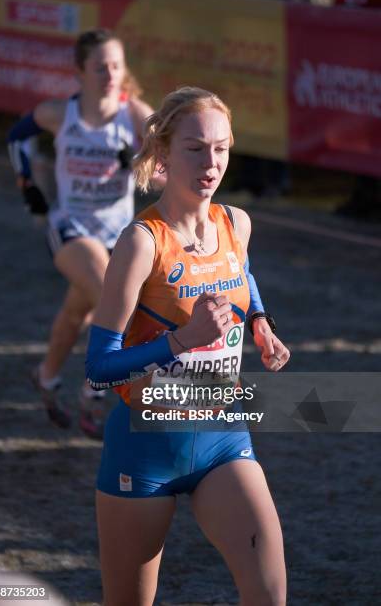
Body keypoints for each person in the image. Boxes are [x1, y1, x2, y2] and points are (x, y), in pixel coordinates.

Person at [86, 86, 290, 605]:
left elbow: (241, 272)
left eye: (221, 148)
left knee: (268, 592)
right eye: (196, 148)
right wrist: (180, 341)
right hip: (145, 447)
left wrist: (260, 319)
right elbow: (97, 369)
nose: (211, 162)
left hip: (223, 438)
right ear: (164, 153)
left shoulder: (235, 223)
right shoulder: (142, 243)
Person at [7, 29, 153, 438]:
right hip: (71, 225)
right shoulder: (60, 113)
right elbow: (17, 136)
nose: (110, 74)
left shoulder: (137, 114)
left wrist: (139, 162)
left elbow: (163, 174)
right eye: (100, 67)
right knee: (113, 297)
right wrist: (27, 186)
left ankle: (47, 376)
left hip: (118, 234)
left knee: (79, 312)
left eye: (116, 66)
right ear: (79, 72)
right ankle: (94, 392)